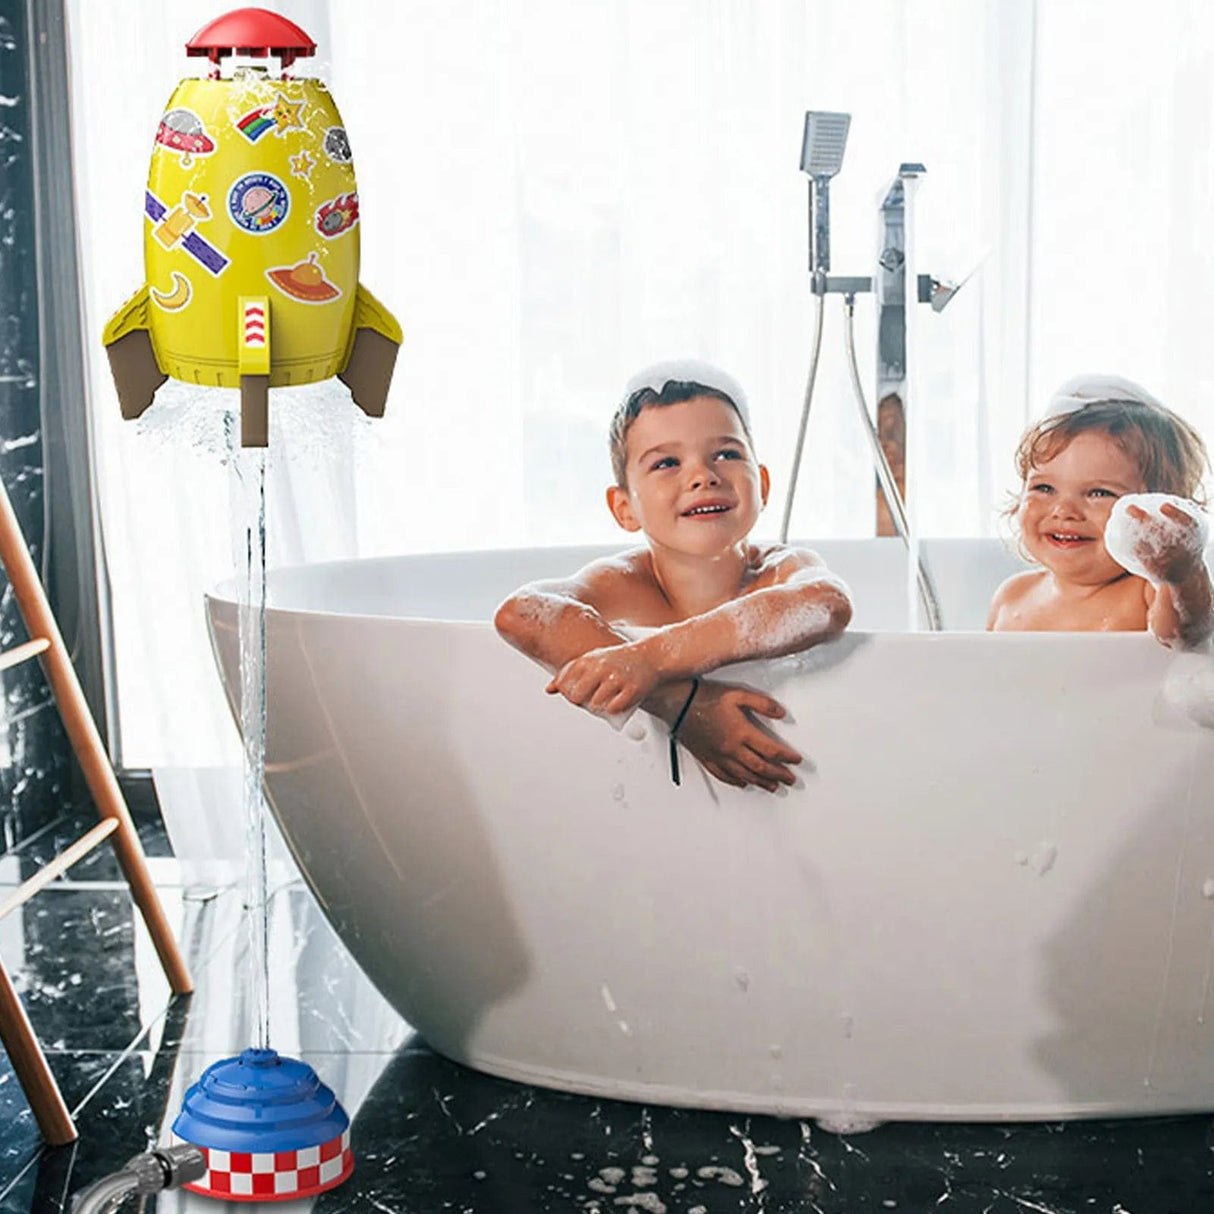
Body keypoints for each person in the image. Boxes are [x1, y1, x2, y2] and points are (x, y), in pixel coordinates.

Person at [494, 360, 853, 793]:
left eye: (727, 454)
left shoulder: (777, 569)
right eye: (666, 463)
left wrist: (651, 661)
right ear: (624, 507)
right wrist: (684, 705)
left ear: (762, 484)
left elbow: (826, 604)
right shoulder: (625, 582)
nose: (703, 476)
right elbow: (521, 614)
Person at [987, 374, 1212, 649]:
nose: (1063, 510)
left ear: (1153, 509)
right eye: (1044, 488)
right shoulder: (1013, 596)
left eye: (1099, 493)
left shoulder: (1146, 594)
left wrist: (1182, 573)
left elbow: (1189, 632)